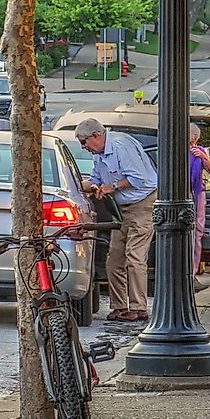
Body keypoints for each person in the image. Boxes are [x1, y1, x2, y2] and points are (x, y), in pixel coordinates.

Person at [77, 117, 158, 323]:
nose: (83, 147)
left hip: (142, 204)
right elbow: (96, 179)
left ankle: (139, 307)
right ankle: (120, 305)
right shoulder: (99, 154)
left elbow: (138, 178)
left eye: (84, 142)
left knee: (135, 256)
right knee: (114, 258)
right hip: (120, 208)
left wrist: (110, 187)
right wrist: (83, 186)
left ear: (96, 136)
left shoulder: (121, 146)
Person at [188, 123, 210, 276]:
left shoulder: (200, 151)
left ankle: (193, 269)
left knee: (197, 230)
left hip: (198, 193)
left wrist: (203, 157)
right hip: (184, 193)